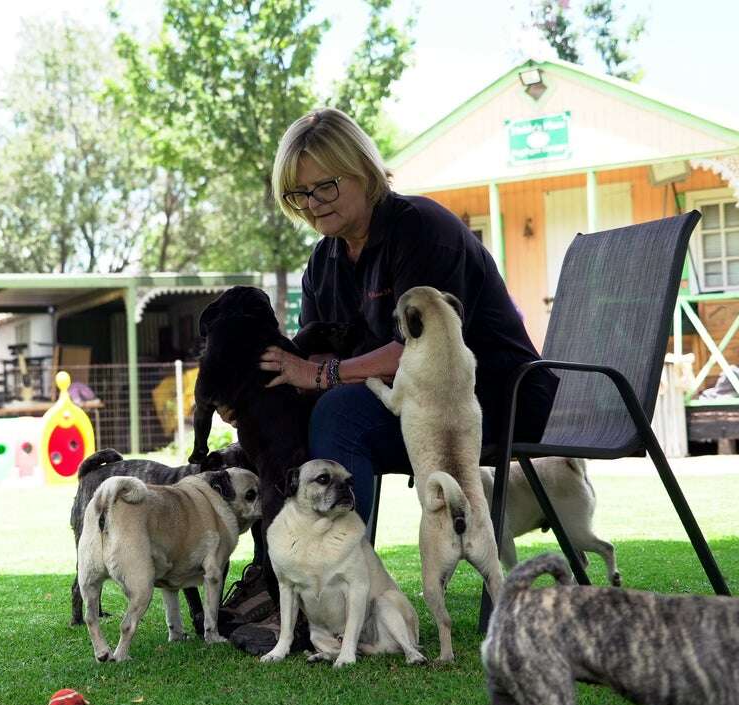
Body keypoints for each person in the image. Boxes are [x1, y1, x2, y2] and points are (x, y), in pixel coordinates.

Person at [223, 107, 558, 655]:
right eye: (299, 195)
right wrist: (257, 400)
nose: (314, 204)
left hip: (496, 397)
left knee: (338, 412)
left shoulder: (422, 229)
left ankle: (341, 584)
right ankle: (287, 580)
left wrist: (324, 374)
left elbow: (418, 351)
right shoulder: (324, 260)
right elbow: (318, 352)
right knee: (296, 417)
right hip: (408, 405)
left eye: (326, 185)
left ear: (364, 169)